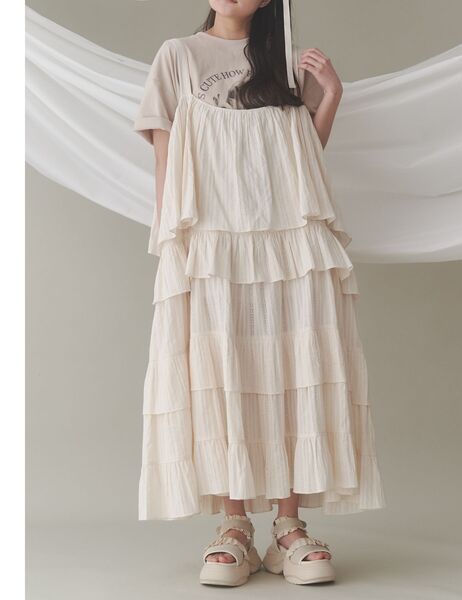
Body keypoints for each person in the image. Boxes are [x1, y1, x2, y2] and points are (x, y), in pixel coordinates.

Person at [133, 0, 385, 587]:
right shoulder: (178, 57)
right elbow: (166, 155)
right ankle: (234, 527)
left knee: (294, 368)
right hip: (212, 241)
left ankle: (290, 530)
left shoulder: (284, 60)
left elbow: (302, 162)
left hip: (287, 241)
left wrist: (330, 97)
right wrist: (170, 240)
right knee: (222, 371)